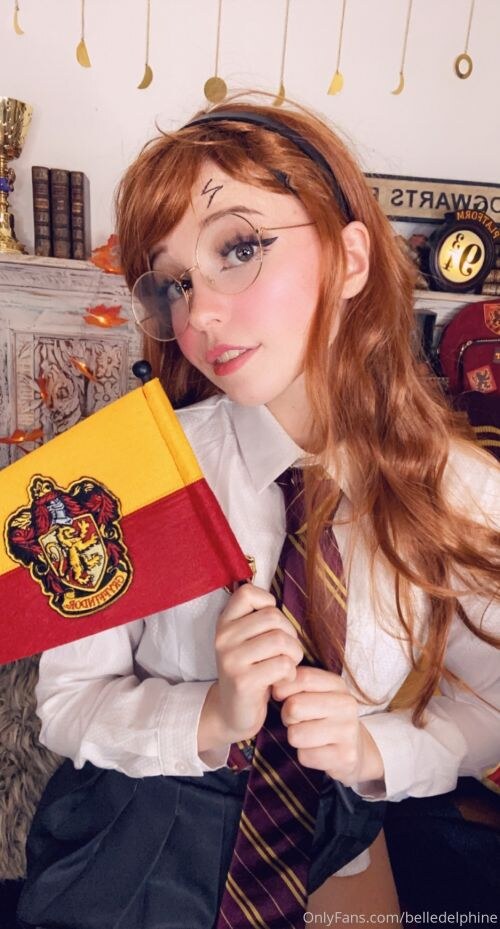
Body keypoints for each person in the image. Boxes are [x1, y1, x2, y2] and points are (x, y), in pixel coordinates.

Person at [17, 95, 500, 929]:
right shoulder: (119, 477)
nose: (199, 313)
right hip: (137, 848)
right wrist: (208, 715)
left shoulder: (464, 492)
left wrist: (376, 749)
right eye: (172, 283)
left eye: (238, 248)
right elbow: (66, 702)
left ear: (350, 258)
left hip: (338, 849)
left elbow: (491, 698)